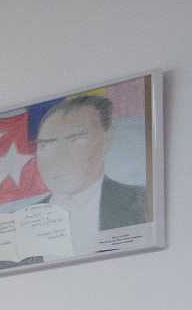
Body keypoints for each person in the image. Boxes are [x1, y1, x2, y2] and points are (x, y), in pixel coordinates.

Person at [30, 93, 150, 256]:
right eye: (46, 146)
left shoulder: (143, 202)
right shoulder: (19, 222)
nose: (59, 157)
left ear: (107, 139)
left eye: (75, 140)